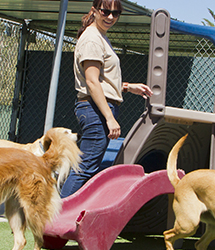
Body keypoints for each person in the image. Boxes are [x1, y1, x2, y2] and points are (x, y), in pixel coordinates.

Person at [60, 0, 153, 198]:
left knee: (88, 166)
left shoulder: (100, 36)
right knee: (85, 168)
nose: (110, 17)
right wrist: (110, 118)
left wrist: (128, 87)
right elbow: (92, 83)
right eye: (105, 11)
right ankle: (56, 219)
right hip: (95, 110)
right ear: (94, 11)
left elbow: (102, 82)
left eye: (116, 13)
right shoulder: (92, 39)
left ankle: (64, 215)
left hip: (97, 107)